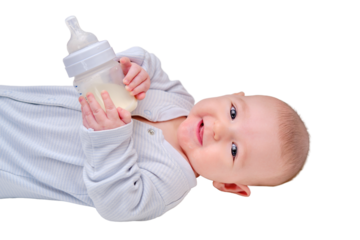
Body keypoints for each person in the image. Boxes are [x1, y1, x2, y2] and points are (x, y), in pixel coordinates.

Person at [0, 44, 312, 223]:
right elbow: (145, 57)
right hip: (15, 104)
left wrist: (111, 137)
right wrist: (133, 70)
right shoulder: (178, 96)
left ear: (230, 186)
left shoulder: (170, 186)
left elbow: (118, 205)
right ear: (233, 93)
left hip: (13, 164)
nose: (219, 129)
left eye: (233, 150)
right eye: (232, 113)